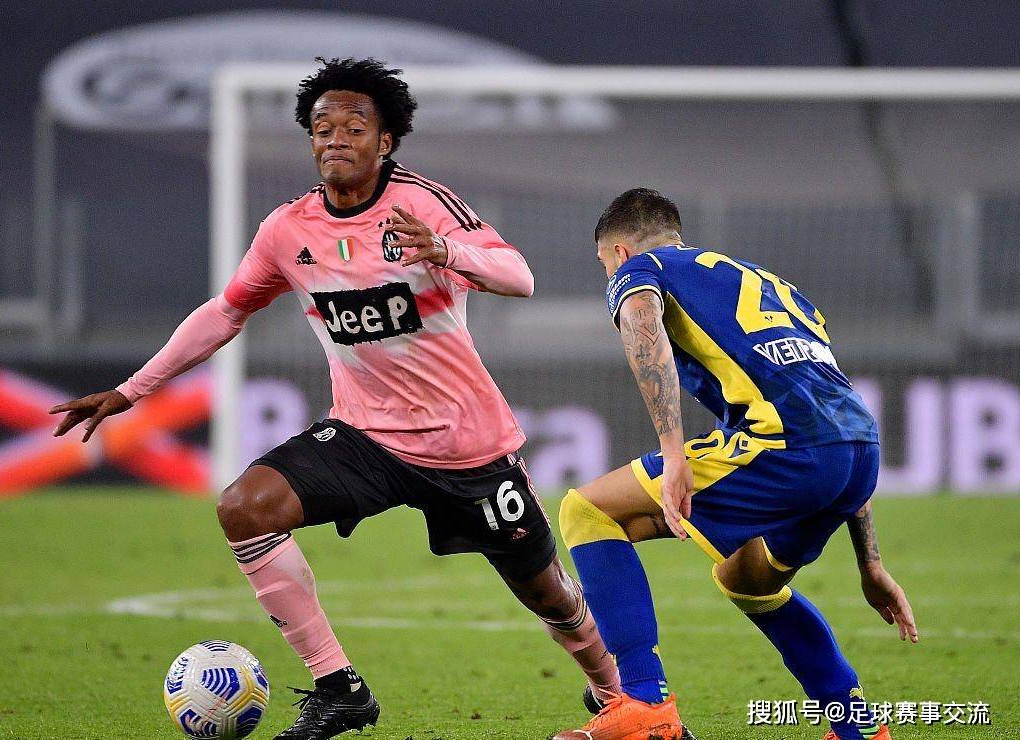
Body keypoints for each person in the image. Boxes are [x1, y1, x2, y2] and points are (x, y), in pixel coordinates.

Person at [49, 58, 621, 740]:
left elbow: (518, 275)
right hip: (366, 437)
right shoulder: (288, 230)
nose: (335, 139)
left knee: (547, 592)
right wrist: (131, 390)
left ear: (386, 140)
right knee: (245, 507)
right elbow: (227, 311)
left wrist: (445, 250)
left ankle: (615, 693)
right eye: (322, 129)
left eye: (354, 127)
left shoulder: (423, 205)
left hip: (466, 447)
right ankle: (340, 688)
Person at [553, 188, 918, 740]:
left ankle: (646, 705)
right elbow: (831, 413)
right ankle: (858, 728)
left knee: (586, 512)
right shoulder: (770, 286)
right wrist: (870, 563)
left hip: (784, 448)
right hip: (858, 452)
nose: (609, 275)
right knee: (747, 579)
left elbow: (642, 326)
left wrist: (673, 451)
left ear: (620, 251)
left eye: (605, 264)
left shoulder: (641, 270)